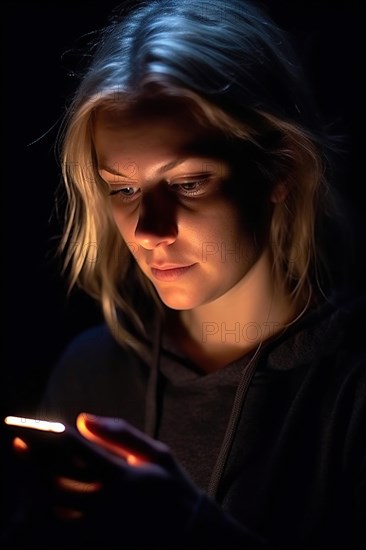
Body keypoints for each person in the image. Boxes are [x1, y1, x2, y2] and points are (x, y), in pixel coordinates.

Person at [3, 0, 365, 548]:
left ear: (280, 171)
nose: (149, 230)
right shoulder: (89, 374)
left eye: (189, 183)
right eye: (123, 190)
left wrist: (191, 529)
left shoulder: (352, 387)